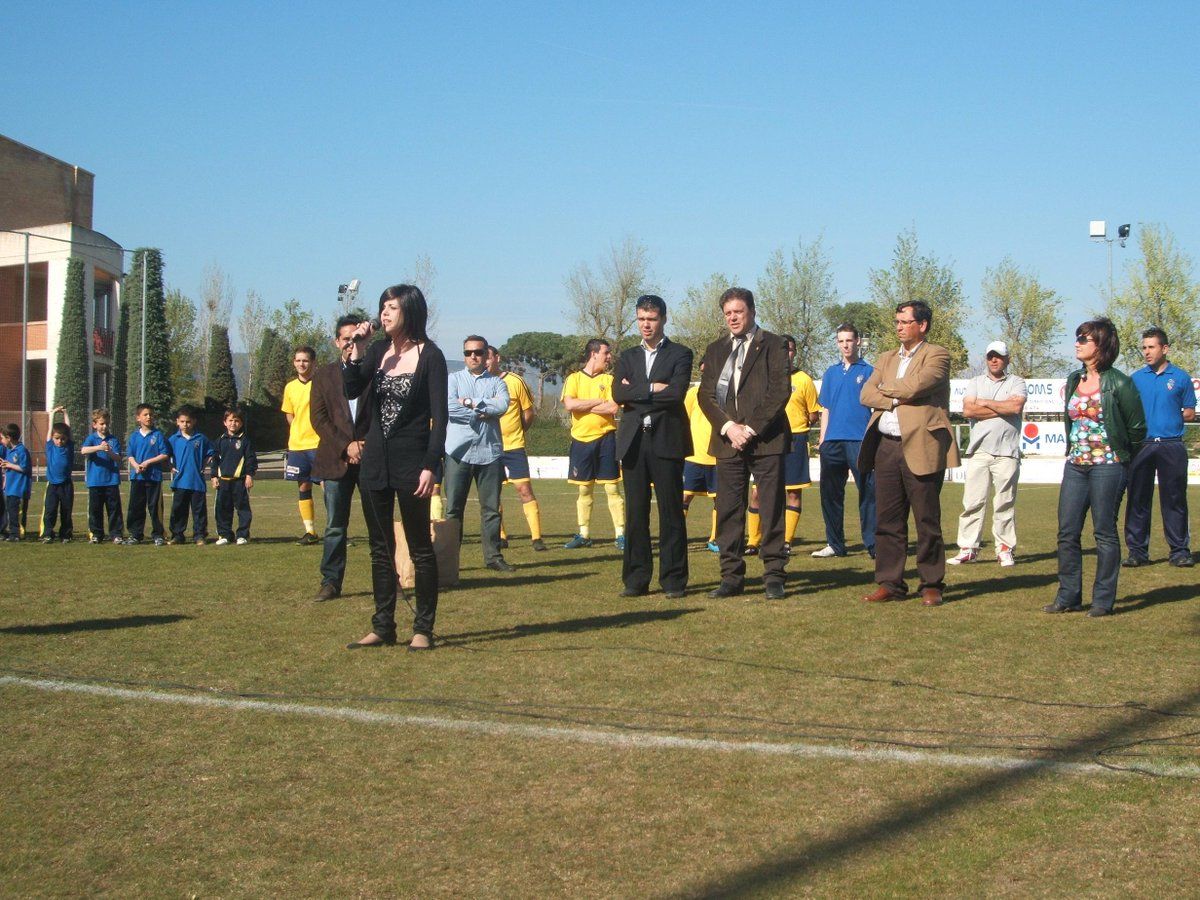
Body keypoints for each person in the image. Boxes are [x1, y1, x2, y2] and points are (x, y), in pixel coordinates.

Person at [343, 284, 447, 651]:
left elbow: (441, 417)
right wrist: (356, 351)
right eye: (382, 307)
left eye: (392, 308)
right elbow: (352, 388)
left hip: (413, 464)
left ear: (410, 311)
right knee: (379, 548)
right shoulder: (377, 352)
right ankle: (382, 625)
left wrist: (431, 466)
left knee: (420, 547)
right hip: (375, 465)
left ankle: (423, 629)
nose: (384, 314)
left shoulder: (431, 356)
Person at [858, 300, 960, 607]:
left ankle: (931, 582)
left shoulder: (938, 355)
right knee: (887, 519)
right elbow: (866, 393)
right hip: (886, 446)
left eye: (905, 321)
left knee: (927, 519)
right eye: (897, 321)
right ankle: (890, 582)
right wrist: (893, 396)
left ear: (922, 325)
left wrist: (887, 390)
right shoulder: (886, 357)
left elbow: (917, 386)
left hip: (922, 445)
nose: (899, 326)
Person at [1045, 318, 1146, 617]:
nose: (1077, 342)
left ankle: (1103, 600)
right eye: (1077, 337)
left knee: (1104, 533)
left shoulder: (1120, 383)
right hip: (1075, 465)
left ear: (1100, 345)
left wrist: (1118, 456)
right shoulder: (1075, 379)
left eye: (1083, 338)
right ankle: (1068, 596)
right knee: (1067, 532)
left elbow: (1137, 430)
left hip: (1108, 467)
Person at [698, 287, 791, 599]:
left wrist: (749, 428)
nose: (732, 318)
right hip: (727, 442)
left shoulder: (774, 344)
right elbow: (706, 396)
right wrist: (728, 427)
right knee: (728, 510)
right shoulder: (714, 350)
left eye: (738, 311)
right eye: (728, 313)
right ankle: (731, 577)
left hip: (766, 440)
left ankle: (774, 576)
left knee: (771, 509)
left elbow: (780, 391)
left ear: (751, 311)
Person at [612, 295, 694, 598]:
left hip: (667, 441)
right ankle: (635, 580)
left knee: (671, 512)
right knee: (635, 513)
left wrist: (635, 391)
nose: (646, 324)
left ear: (663, 319)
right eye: (642, 319)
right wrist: (651, 388)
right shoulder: (627, 356)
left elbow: (675, 395)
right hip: (633, 443)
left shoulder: (680, 353)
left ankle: (673, 581)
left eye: (652, 319)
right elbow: (617, 395)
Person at [948, 341, 1026, 567]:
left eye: (999, 356)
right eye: (990, 356)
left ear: (1007, 359)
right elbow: (968, 410)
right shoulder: (975, 382)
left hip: (1007, 453)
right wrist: (1000, 407)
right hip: (979, 452)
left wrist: (985, 404)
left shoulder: (1016, 382)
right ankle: (968, 548)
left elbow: (1015, 408)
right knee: (972, 502)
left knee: (1005, 502)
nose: (994, 360)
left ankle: (1004, 549)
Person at [310, 314, 371, 600]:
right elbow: (319, 419)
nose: (350, 343)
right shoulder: (323, 375)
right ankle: (331, 582)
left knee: (378, 525)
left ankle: (388, 578)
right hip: (336, 461)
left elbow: (387, 416)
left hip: (372, 459)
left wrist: (366, 444)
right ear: (337, 342)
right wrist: (347, 446)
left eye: (355, 337)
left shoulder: (377, 370)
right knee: (335, 526)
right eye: (345, 338)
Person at [1123, 328, 1196, 568]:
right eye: (1144, 347)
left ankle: (1179, 551)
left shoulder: (1182, 378)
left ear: (1165, 349)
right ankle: (1137, 552)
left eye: (1151, 347)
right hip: (1142, 445)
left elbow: (1188, 412)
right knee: (1137, 498)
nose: (1146, 352)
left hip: (1171, 445)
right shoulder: (1135, 378)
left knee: (1174, 499)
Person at [445, 334, 512, 571]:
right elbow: (450, 408)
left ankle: (493, 557)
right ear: (464, 355)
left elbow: (502, 405)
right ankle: (449, 559)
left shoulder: (498, 383)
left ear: (487, 355)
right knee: (453, 509)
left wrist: (469, 402)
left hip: (489, 454)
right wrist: (480, 409)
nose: (473, 356)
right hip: (458, 453)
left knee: (492, 509)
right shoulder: (452, 380)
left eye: (478, 352)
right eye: (468, 352)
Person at [814, 324, 876, 559]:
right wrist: (822, 440)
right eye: (841, 341)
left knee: (869, 493)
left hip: (859, 440)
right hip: (832, 443)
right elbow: (826, 409)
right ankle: (835, 544)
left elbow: (876, 408)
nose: (845, 345)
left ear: (858, 341)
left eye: (849, 340)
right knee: (830, 495)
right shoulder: (830, 373)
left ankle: (873, 545)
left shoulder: (869, 371)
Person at [561, 339, 625, 549]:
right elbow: (570, 404)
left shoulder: (609, 379)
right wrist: (598, 401)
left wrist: (584, 405)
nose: (609, 357)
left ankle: (621, 535)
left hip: (606, 439)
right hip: (581, 441)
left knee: (612, 488)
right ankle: (584, 534)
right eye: (606, 353)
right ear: (594, 354)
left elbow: (613, 408)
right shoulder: (574, 378)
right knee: (584, 491)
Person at [486, 346, 546, 552]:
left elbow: (528, 413)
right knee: (493, 494)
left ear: (497, 358)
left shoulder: (515, 381)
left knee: (524, 490)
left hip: (514, 446)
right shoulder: (479, 384)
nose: (485, 361)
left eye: (488, 356)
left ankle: (537, 538)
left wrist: (519, 432)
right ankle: (501, 536)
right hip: (489, 449)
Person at [780, 335, 822, 553]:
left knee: (793, 491)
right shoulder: (766, 376)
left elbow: (814, 414)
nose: (787, 353)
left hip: (796, 438)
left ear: (794, 352)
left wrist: (801, 422)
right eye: (783, 349)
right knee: (759, 492)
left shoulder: (804, 379)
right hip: (771, 439)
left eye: (790, 349)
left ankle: (786, 541)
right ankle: (754, 541)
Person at [282, 346, 321, 545]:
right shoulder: (290, 387)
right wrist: (297, 429)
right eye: (298, 360)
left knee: (328, 487)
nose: (301, 364)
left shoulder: (322, 384)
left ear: (313, 362)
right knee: (303, 486)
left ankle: (336, 530)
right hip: (297, 446)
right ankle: (310, 531)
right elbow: (289, 414)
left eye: (305, 360)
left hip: (319, 444)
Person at [682, 363, 719, 553]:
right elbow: (683, 420)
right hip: (694, 456)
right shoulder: (692, 393)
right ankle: (678, 537)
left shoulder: (724, 394)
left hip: (718, 457)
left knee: (720, 500)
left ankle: (715, 538)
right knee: (684, 496)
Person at [166, 405, 215, 545]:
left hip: (196, 481)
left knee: (199, 511)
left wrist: (204, 465)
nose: (185, 424)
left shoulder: (201, 438)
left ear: (193, 421)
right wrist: (171, 466)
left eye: (188, 421)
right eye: (182, 421)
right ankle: (177, 535)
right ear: (177, 422)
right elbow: (166, 455)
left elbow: (210, 453)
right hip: (180, 481)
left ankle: (199, 535)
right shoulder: (173, 439)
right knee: (178, 510)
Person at [210, 407, 257, 546]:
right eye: (230, 420)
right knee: (222, 509)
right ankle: (224, 534)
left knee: (243, 509)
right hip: (223, 482)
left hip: (240, 482)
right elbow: (215, 460)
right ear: (225, 422)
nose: (233, 423)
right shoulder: (220, 441)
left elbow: (250, 460)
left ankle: (242, 535)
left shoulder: (245, 441)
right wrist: (213, 476)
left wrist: (249, 475)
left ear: (241, 423)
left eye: (236, 421)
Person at [125, 403, 169, 546]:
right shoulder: (134, 436)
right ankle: (135, 534)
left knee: (155, 507)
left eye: (151, 414)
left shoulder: (158, 435)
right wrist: (136, 466)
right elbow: (130, 455)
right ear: (138, 418)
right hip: (137, 477)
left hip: (154, 477)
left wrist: (148, 462)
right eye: (145, 414)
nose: (149, 417)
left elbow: (164, 454)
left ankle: (158, 534)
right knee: (135, 507)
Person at [81, 408, 124, 544]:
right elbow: (83, 450)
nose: (104, 426)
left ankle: (116, 534)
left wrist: (109, 451)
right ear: (95, 425)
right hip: (95, 481)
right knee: (95, 510)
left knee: (114, 509)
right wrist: (98, 448)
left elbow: (118, 458)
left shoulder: (113, 440)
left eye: (106, 423)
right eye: (101, 424)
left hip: (111, 480)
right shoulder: (91, 438)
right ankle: (97, 534)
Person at [41, 407, 75, 543]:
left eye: (62, 439)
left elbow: (69, 428)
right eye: (57, 438)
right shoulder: (50, 446)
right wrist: (53, 414)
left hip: (66, 484)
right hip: (53, 485)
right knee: (50, 510)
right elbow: (50, 430)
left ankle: (66, 534)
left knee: (66, 511)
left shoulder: (69, 447)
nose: (59, 441)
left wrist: (66, 413)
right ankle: (48, 534)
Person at [0, 423, 32, 541]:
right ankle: (13, 533)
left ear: (9, 438)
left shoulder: (22, 451)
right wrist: (5, 465)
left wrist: (10, 465)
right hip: (10, 488)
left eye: (2, 438)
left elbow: (25, 468)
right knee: (11, 512)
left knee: (18, 513)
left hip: (19, 488)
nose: (2, 441)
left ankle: (17, 534)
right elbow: (10, 468)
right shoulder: (9, 451)